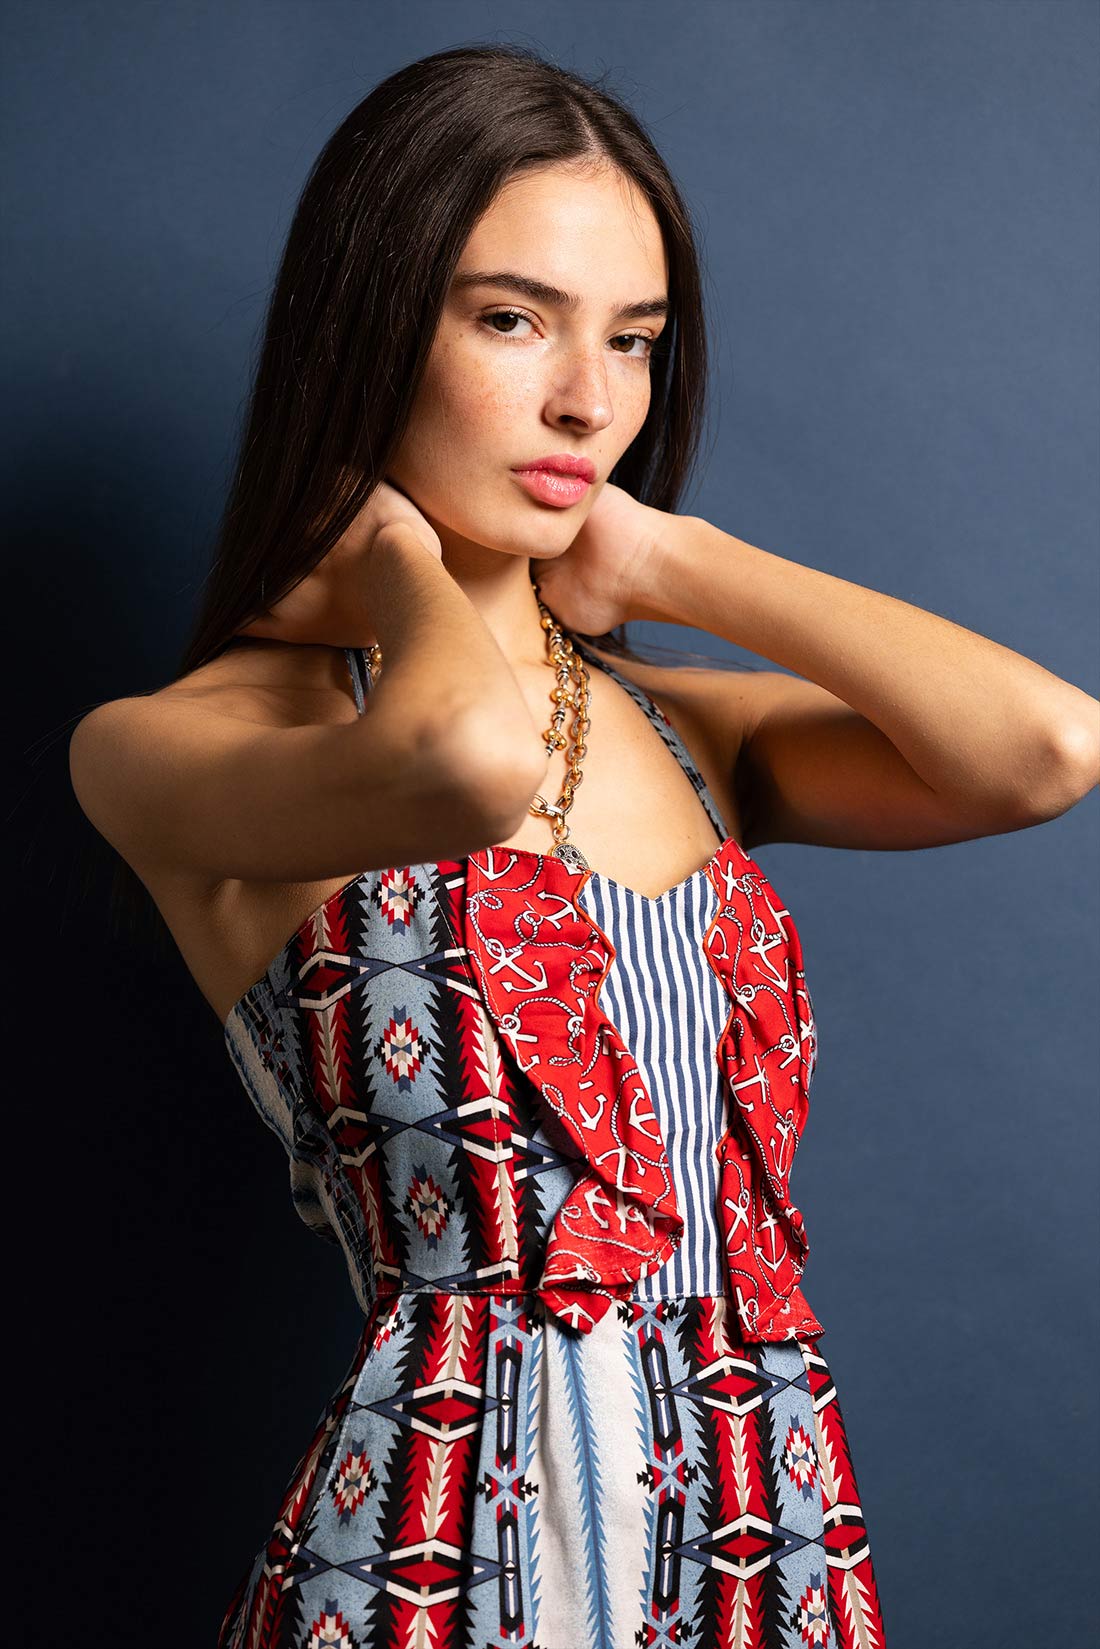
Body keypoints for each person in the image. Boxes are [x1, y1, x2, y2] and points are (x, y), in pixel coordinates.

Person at [67, 44, 1098, 1649]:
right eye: (512, 319)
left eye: (632, 339)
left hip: (764, 1542)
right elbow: (465, 764)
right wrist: (391, 558)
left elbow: (1047, 748)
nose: (588, 401)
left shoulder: (689, 730)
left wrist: (676, 559)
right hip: (437, 1561)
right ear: (369, 328)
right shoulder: (178, 744)